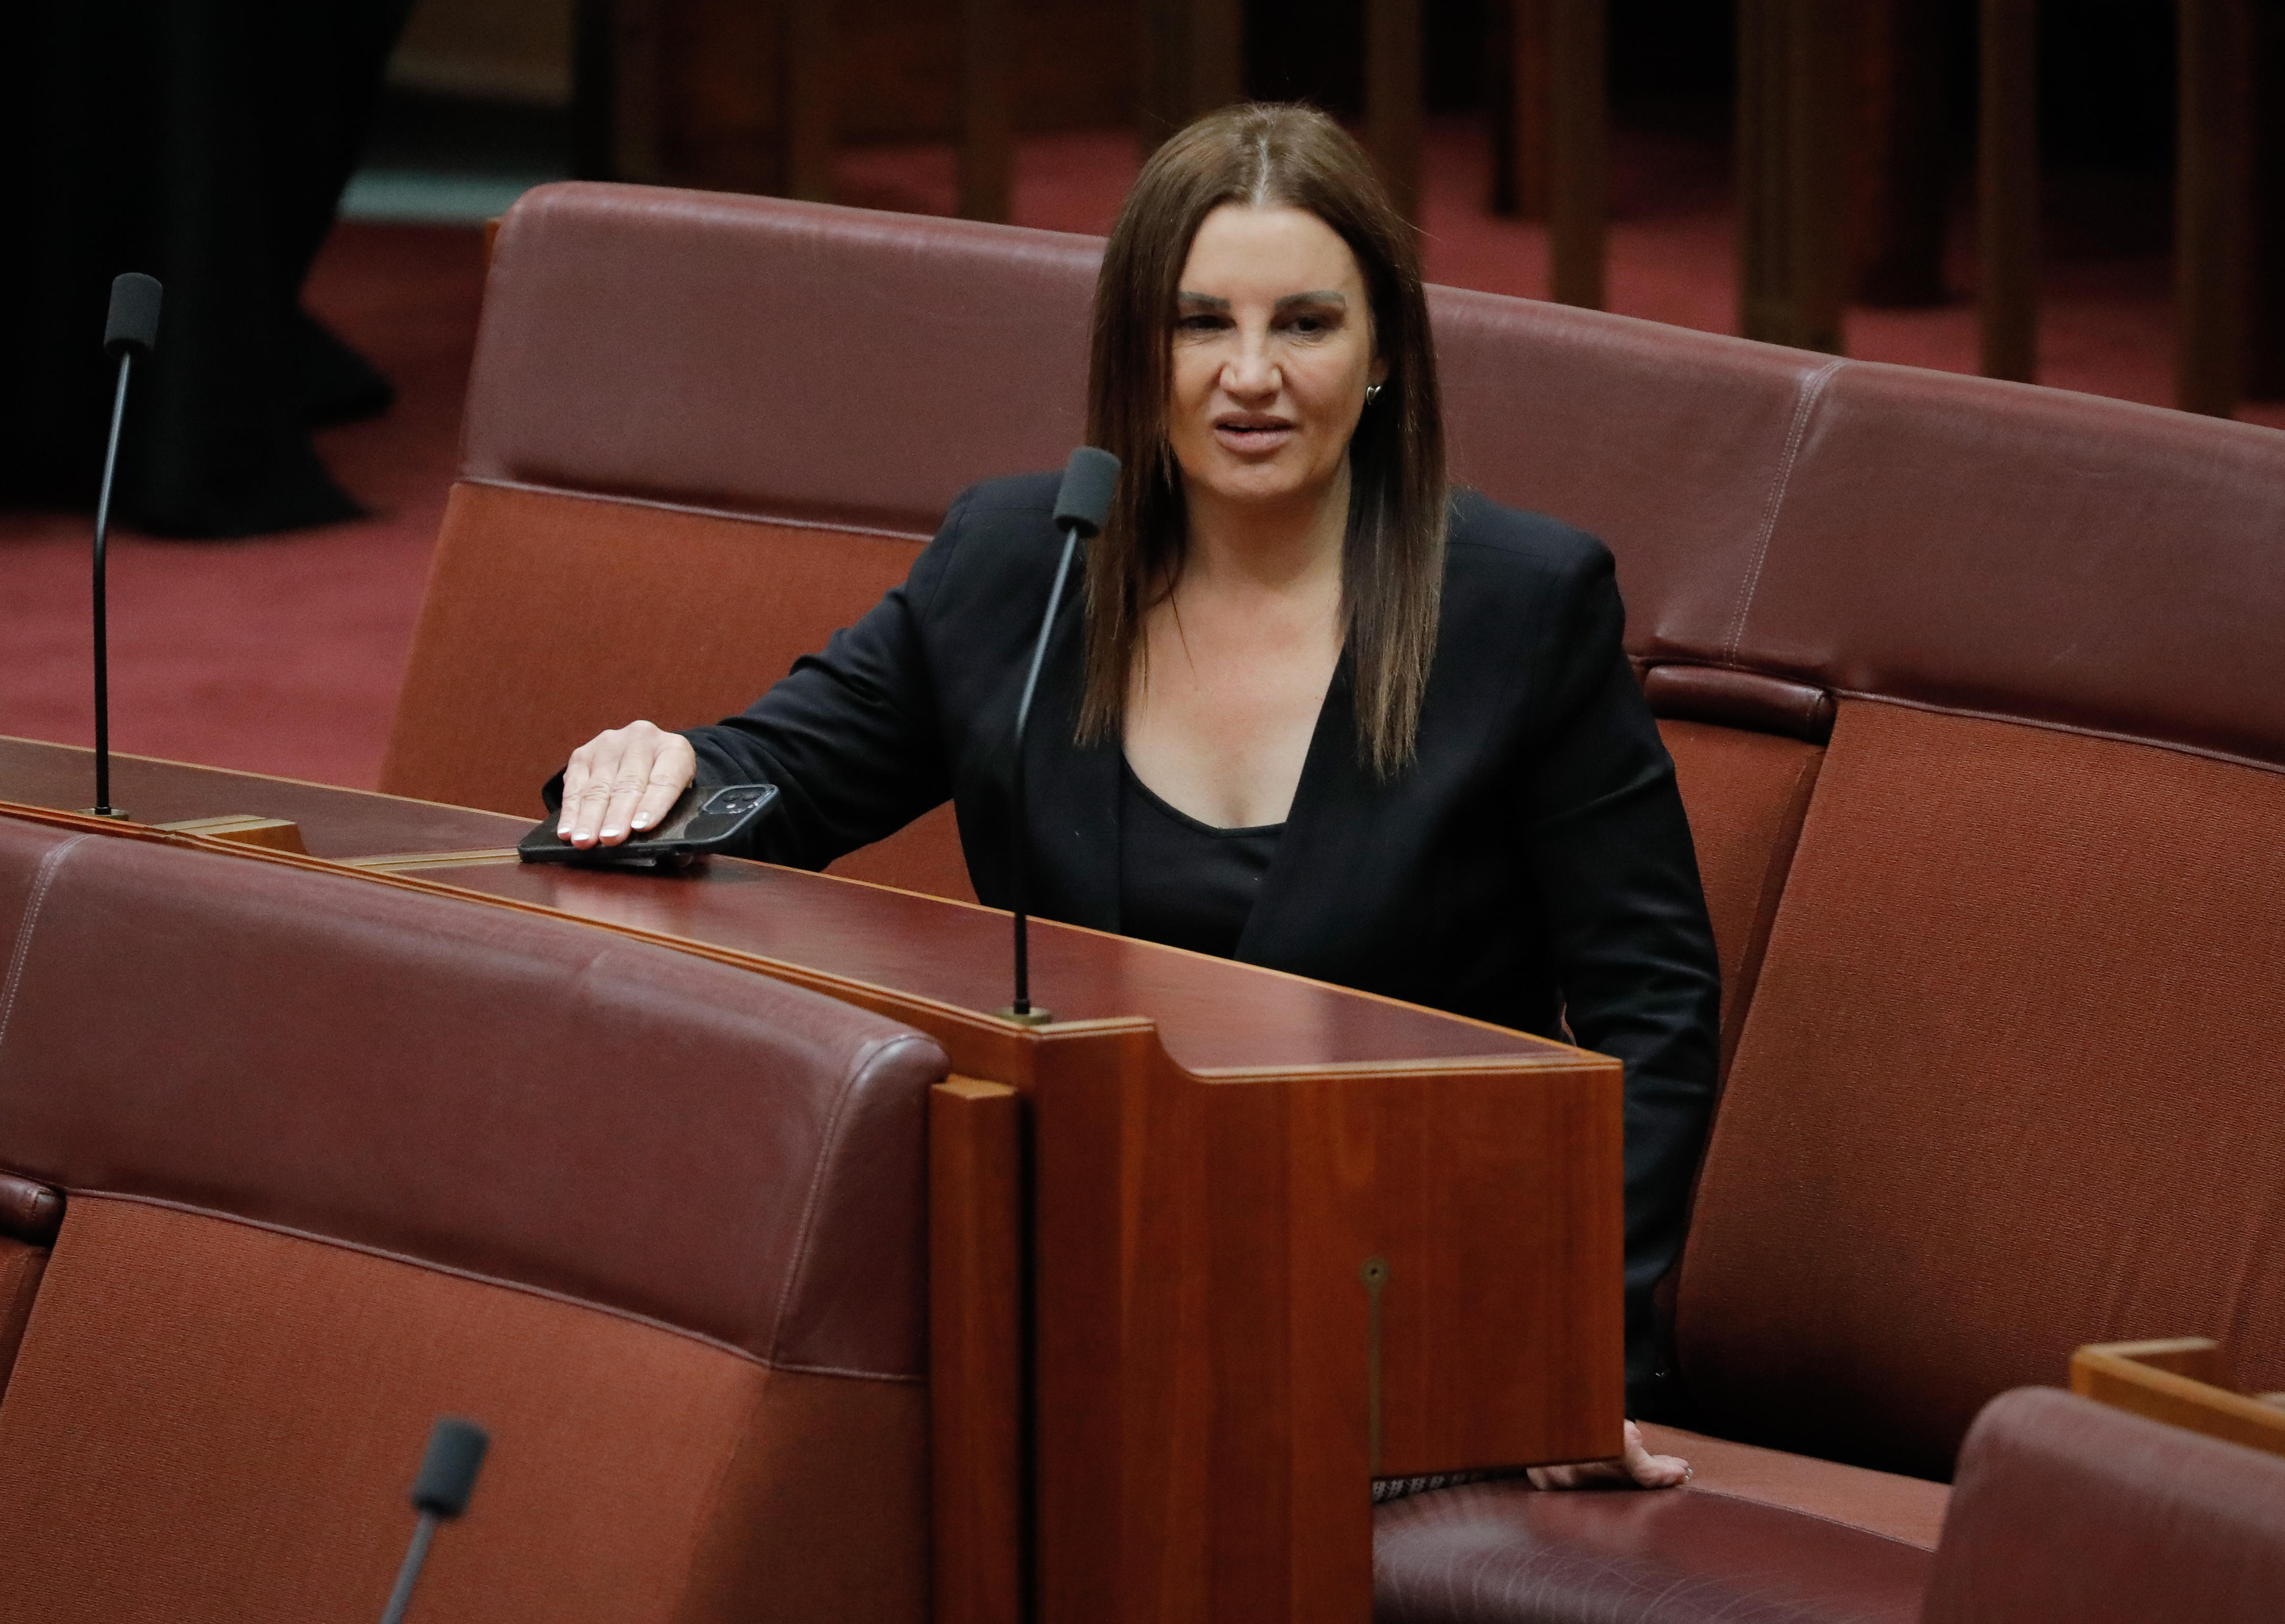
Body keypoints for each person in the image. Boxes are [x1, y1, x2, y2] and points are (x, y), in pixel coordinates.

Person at [551, 103, 1715, 1491]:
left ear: (1387, 351)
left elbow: (1654, 1011)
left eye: (1304, 324)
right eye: (1197, 323)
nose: (1249, 377)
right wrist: (655, 775)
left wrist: (1560, 1355)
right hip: (1074, 1295)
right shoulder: (1017, 565)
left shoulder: (1521, 608)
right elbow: (774, 774)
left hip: (1393, 1319)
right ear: (1131, 352)